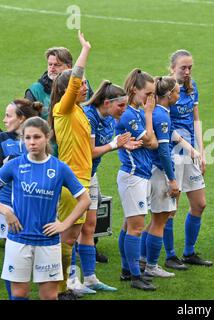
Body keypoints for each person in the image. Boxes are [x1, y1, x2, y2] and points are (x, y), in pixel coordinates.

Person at [0, 117, 90, 300]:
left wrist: (64, 224)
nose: (32, 142)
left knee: (49, 296)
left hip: (48, 242)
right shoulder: (14, 165)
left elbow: (84, 200)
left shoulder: (59, 168)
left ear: (47, 136)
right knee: (18, 294)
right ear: (22, 139)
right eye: (27, 138)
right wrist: (6, 211)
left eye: (37, 137)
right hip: (18, 239)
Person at [66, 81, 141, 295]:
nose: (124, 110)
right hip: (75, 178)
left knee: (90, 227)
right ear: (107, 102)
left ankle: (89, 279)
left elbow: (107, 145)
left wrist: (120, 143)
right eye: (121, 106)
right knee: (72, 232)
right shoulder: (88, 116)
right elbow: (88, 152)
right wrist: (114, 145)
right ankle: (71, 281)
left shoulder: (108, 118)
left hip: (91, 175)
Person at [48, 30, 94, 300]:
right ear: (68, 90)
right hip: (71, 183)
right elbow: (75, 80)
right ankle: (59, 288)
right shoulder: (62, 109)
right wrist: (85, 50)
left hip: (81, 180)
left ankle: (63, 285)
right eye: (81, 84)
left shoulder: (77, 110)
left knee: (71, 237)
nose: (84, 86)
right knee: (66, 238)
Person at [157, 49, 212, 270]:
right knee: (171, 209)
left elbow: (195, 119)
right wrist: (189, 148)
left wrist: (201, 150)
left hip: (191, 153)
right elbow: (165, 128)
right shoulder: (165, 91)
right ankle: (170, 255)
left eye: (190, 67)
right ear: (172, 68)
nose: (187, 71)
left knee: (200, 204)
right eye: (183, 68)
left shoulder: (192, 87)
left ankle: (189, 252)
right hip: (173, 154)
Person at [143, 76, 201, 277]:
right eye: (177, 92)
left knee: (154, 220)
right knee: (159, 220)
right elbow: (164, 152)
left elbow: (172, 138)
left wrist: (191, 149)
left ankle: (142, 261)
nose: (179, 94)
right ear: (169, 95)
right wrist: (173, 179)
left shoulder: (159, 113)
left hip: (153, 171)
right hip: (160, 172)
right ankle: (151, 265)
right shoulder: (162, 116)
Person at [116, 68, 158, 291]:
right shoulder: (130, 114)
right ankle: (135, 276)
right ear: (134, 90)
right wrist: (150, 114)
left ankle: (127, 269)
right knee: (136, 227)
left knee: (128, 224)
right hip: (133, 175)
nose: (150, 99)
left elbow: (152, 142)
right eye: (147, 94)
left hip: (139, 174)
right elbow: (150, 140)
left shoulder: (136, 111)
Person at [0, 99, 43, 299]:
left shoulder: (36, 143)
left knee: (18, 256)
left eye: (9, 116)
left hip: (27, 206)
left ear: (22, 119)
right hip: (4, 206)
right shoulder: (2, 140)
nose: (4, 120)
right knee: (11, 255)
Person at [25, 47, 73, 120]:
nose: (52, 68)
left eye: (57, 65)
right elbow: (27, 122)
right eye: (50, 64)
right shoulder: (35, 91)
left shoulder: (83, 86)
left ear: (69, 67)